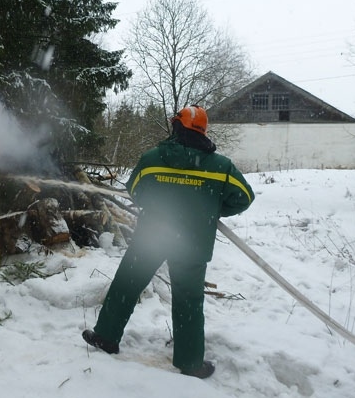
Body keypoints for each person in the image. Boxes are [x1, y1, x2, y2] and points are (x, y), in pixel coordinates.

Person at [82, 104, 254, 379]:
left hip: (153, 237)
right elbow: (244, 197)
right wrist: (209, 209)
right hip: (193, 242)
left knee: (127, 284)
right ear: (203, 132)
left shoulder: (153, 158)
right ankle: (190, 361)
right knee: (189, 300)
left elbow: (134, 189)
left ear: (177, 127)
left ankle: (105, 337)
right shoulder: (221, 166)